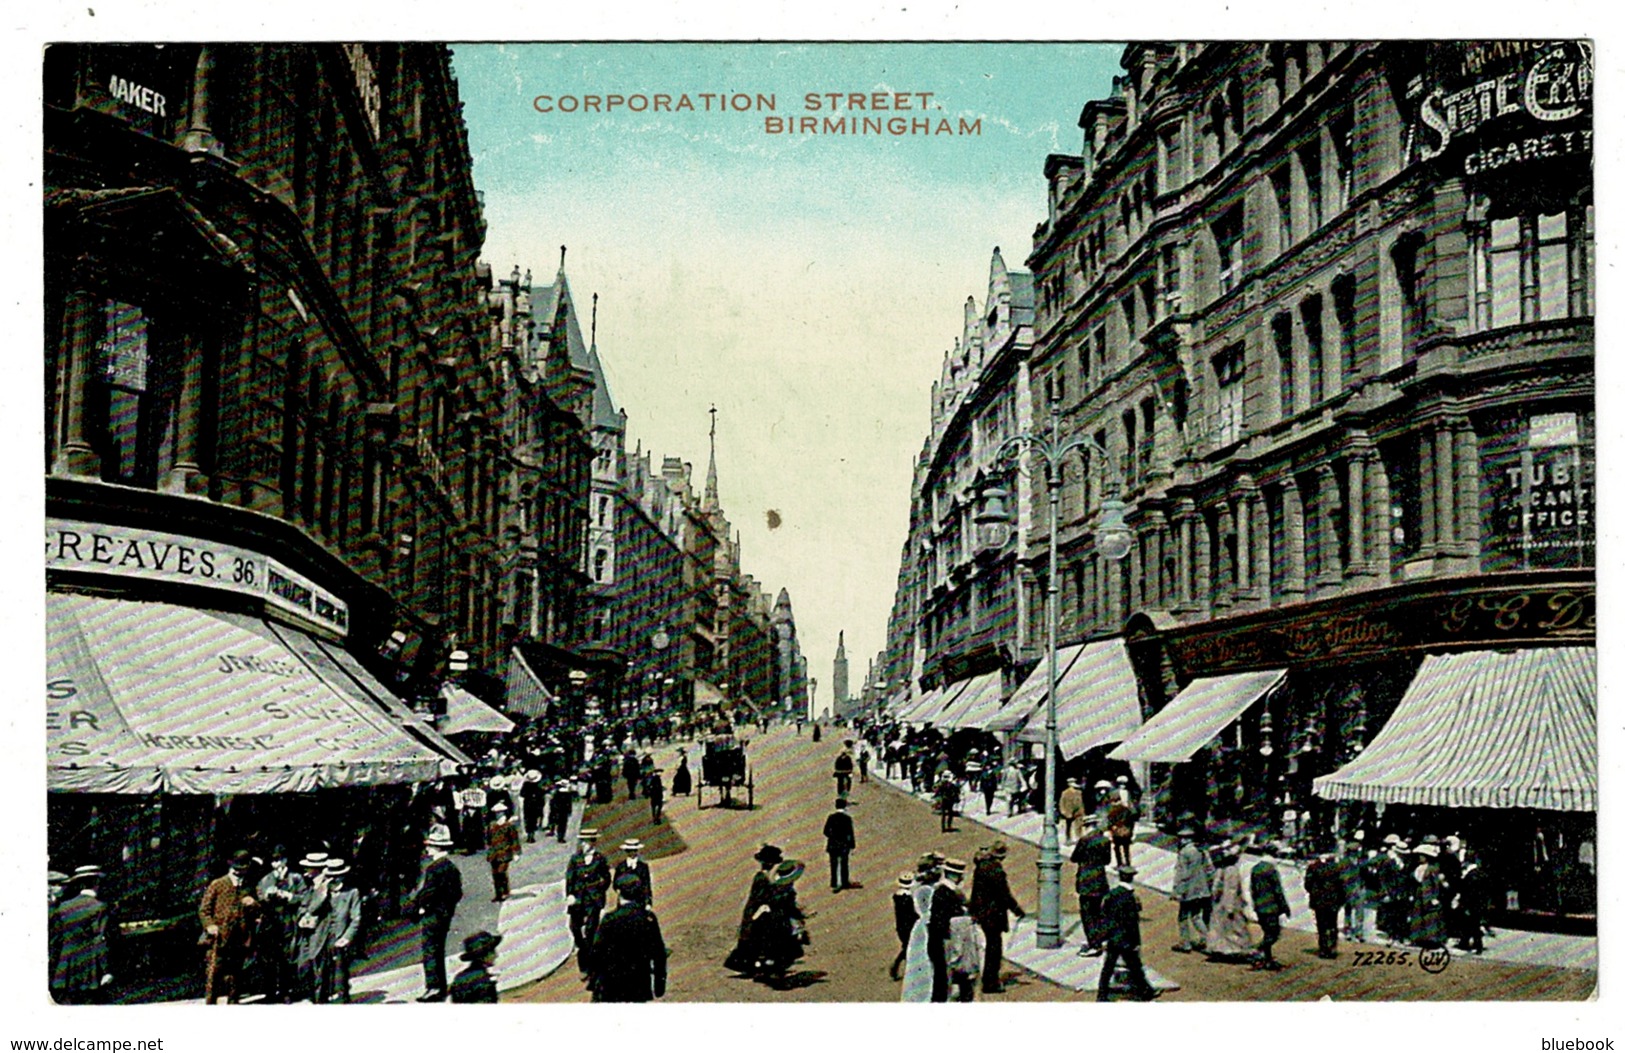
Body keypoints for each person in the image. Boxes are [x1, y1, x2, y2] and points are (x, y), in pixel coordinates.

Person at [589, 874, 668, 1002]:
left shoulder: (609, 919)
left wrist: (595, 982)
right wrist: (659, 985)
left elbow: (596, 953)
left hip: (612, 985)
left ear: (619, 892)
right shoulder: (648, 918)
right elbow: (659, 954)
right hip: (639, 984)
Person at [199, 849, 259, 1004]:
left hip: (240, 937)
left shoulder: (248, 886)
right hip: (219, 938)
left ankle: (234, 1003)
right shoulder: (217, 885)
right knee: (214, 973)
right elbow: (204, 910)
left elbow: (257, 910)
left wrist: (253, 904)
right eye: (236, 870)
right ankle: (210, 1003)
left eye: (242, 870)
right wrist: (210, 926)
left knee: (236, 975)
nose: (239, 874)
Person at [410, 831, 463, 1002]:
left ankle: (433, 987)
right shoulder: (451, 867)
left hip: (433, 915)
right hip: (445, 915)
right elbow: (457, 893)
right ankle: (441, 986)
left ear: (436, 847)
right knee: (438, 950)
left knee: (430, 951)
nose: (427, 850)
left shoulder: (434, 868)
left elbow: (428, 893)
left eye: (430, 846)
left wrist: (420, 907)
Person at [50, 866, 113, 1004]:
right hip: (90, 968)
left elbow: (55, 940)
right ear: (97, 882)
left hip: (65, 968)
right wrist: (106, 970)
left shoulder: (63, 907)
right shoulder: (99, 907)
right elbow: (100, 939)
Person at [968, 843, 1025, 995]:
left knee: (991, 945)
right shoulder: (996, 871)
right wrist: (1017, 910)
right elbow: (1004, 894)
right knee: (994, 949)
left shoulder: (981, 867)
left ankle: (989, 979)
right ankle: (990, 982)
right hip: (993, 914)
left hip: (982, 912)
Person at [254, 846, 307, 1003]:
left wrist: (289, 896)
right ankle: (270, 992)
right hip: (271, 925)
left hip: (289, 922)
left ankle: (286, 991)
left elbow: (304, 898)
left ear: (285, 860)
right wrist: (267, 896)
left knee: (287, 958)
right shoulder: (265, 880)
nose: (276, 864)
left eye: (279, 860)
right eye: (274, 861)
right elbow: (259, 898)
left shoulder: (296, 878)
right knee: (270, 959)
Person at [1098, 866, 1158, 1001]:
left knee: (1108, 967)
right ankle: (1146, 991)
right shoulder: (1130, 897)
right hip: (1126, 939)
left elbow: (1105, 914)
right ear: (1131, 878)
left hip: (1113, 936)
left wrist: (1105, 935)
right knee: (1135, 967)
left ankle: (1102, 994)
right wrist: (1136, 941)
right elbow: (1132, 922)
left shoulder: (1112, 894)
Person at [726, 844, 783, 974]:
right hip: (763, 909)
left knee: (753, 936)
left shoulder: (761, 876)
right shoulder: (771, 877)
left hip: (756, 909)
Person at [566, 828, 612, 977]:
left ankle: (588, 966)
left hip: (593, 901)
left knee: (591, 931)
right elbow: (570, 879)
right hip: (578, 900)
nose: (583, 845)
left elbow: (606, 878)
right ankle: (583, 951)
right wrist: (570, 895)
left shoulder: (600, 859)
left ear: (592, 843)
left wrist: (598, 889)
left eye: (586, 842)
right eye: (582, 842)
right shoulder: (575, 859)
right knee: (575, 928)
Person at [927, 857, 973, 1002]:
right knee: (943, 980)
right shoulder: (947, 893)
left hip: (940, 940)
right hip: (945, 941)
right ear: (956, 876)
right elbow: (946, 921)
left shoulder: (943, 891)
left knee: (944, 978)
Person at [1069, 816, 1111, 956]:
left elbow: (1074, 858)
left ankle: (1094, 944)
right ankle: (1100, 938)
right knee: (1098, 912)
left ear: (1086, 826)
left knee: (1087, 915)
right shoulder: (1105, 840)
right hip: (1100, 880)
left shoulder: (1084, 841)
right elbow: (1107, 860)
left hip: (1087, 882)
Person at [1205, 842, 1255, 962]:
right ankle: (1225, 950)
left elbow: (1229, 890)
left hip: (1226, 904)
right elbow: (1226, 889)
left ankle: (1230, 950)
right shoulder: (1227, 870)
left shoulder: (1227, 870)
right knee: (1226, 928)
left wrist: (1228, 906)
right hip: (1225, 904)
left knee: (1229, 929)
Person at [322, 859, 363, 1003]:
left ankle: (343, 996)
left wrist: (347, 937)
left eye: (336, 876)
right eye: (330, 876)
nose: (333, 879)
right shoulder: (323, 892)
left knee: (341, 970)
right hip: (324, 937)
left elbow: (356, 918)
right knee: (324, 971)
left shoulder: (352, 892)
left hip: (341, 936)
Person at [1170, 827, 1212, 953]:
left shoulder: (1184, 853)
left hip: (1188, 889)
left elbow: (1182, 874)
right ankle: (1209, 939)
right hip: (1202, 889)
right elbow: (1209, 869)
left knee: (1183, 916)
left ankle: (1185, 943)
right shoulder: (1201, 851)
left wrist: (1177, 890)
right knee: (1196, 916)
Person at [1250, 851, 1291, 971]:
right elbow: (1278, 891)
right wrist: (1285, 907)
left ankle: (1267, 958)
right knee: (1273, 934)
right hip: (1271, 907)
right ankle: (1258, 950)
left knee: (1267, 932)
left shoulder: (1255, 869)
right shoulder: (1271, 870)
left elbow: (1253, 889)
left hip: (1260, 906)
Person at [1304, 850, 1345, 960]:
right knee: (1332, 924)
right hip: (1333, 901)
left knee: (1321, 925)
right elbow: (1342, 885)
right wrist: (1341, 900)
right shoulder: (1337, 868)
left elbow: (1308, 885)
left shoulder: (1313, 867)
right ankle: (1332, 947)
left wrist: (1315, 894)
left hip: (1319, 901)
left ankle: (1323, 948)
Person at [1410, 842, 1448, 950]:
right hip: (1419, 894)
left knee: (1430, 919)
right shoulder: (1418, 868)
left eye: (1422, 856)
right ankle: (1417, 938)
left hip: (1429, 895)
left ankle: (1432, 941)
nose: (1420, 858)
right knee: (1417, 916)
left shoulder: (1433, 868)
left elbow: (1435, 883)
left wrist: (1434, 897)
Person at [450, 931, 502, 1003]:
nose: (496, 955)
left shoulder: (460, 977)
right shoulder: (482, 979)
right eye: (492, 951)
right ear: (483, 955)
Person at [1454, 847, 1488, 955]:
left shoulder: (1471, 876)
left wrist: (1464, 904)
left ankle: (1476, 945)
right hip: (1479, 903)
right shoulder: (1481, 873)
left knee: (1472, 924)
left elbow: (1468, 892)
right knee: (1473, 924)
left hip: (1471, 904)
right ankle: (1467, 942)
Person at [486, 802, 522, 902]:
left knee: (501, 872)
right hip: (494, 853)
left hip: (505, 852)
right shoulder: (492, 826)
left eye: (500, 812)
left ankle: (504, 891)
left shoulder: (509, 826)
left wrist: (516, 853)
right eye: (497, 813)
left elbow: (514, 839)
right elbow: (489, 839)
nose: (499, 814)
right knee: (495, 874)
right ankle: (498, 893)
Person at [822, 798, 857, 892]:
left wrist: (832, 837)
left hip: (833, 844)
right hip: (843, 844)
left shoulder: (831, 817)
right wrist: (852, 845)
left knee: (833, 864)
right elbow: (850, 833)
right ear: (845, 807)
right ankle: (844, 882)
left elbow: (825, 831)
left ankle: (834, 882)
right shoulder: (847, 818)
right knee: (844, 864)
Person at [890, 872, 918, 982]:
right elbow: (912, 914)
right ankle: (896, 966)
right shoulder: (908, 899)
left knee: (906, 947)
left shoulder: (897, 896)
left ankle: (898, 966)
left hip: (900, 925)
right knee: (908, 947)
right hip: (908, 926)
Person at [615, 839, 654, 907]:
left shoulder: (643, 867)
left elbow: (646, 885)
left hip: (639, 901)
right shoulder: (621, 867)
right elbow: (616, 884)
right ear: (626, 851)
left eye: (634, 850)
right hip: (624, 901)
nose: (632, 853)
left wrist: (648, 902)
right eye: (629, 851)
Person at [1107, 793, 1137, 868]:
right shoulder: (1127, 810)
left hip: (1117, 832)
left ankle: (1119, 863)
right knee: (1126, 849)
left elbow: (1110, 822)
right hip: (1126, 832)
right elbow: (1131, 822)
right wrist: (1131, 832)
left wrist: (1111, 828)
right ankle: (1127, 863)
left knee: (1117, 848)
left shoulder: (1112, 811)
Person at [520, 770, 547, 844]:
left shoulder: (526, 785)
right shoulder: (538, 785)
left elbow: (522, 794)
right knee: (533, 819)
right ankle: (531, 834)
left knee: (528, 819)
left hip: (528, 804)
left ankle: (529, 834)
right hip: (536, 804)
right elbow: (542, 795)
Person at [547, 778, 575, 843]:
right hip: (563, 810)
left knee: (553, 819)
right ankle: (561, 837)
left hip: (556, 809)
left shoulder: (556, 793)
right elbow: (569, 803)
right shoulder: (568, 794)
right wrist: (569, 811)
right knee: (562, 824)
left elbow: (552, 801)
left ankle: (552, 831)